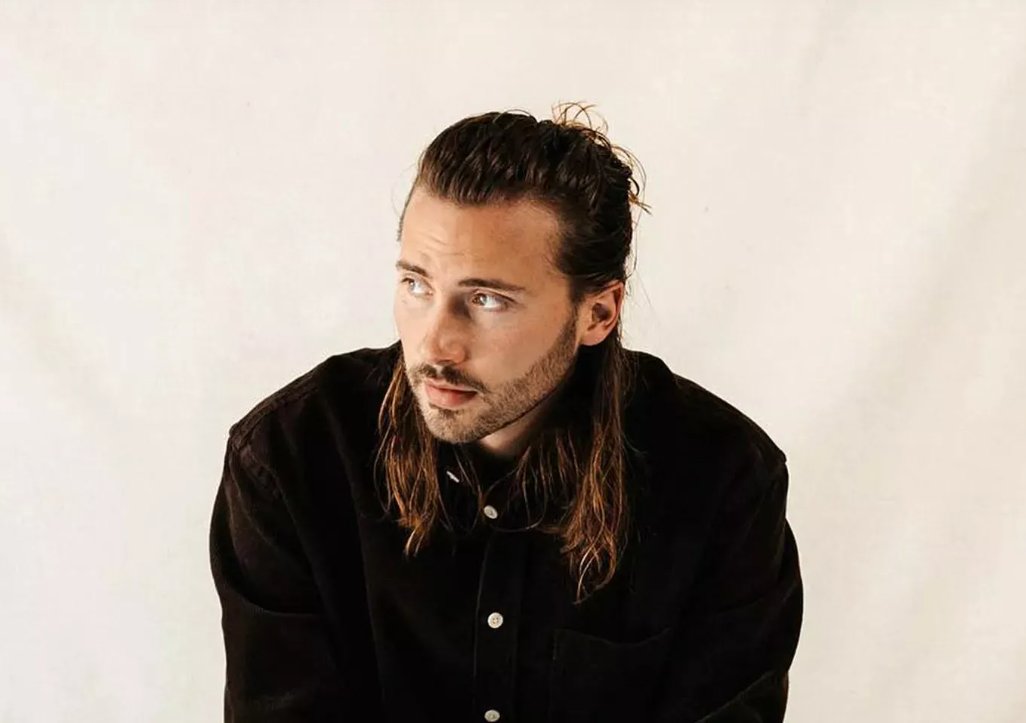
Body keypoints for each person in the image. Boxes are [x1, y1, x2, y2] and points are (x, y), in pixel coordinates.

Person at [209, 103, 803, 722]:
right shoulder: (289, 458)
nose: (436, 345)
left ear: (598, 313)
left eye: (487, 299)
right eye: (417, 285)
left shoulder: (722, 479)